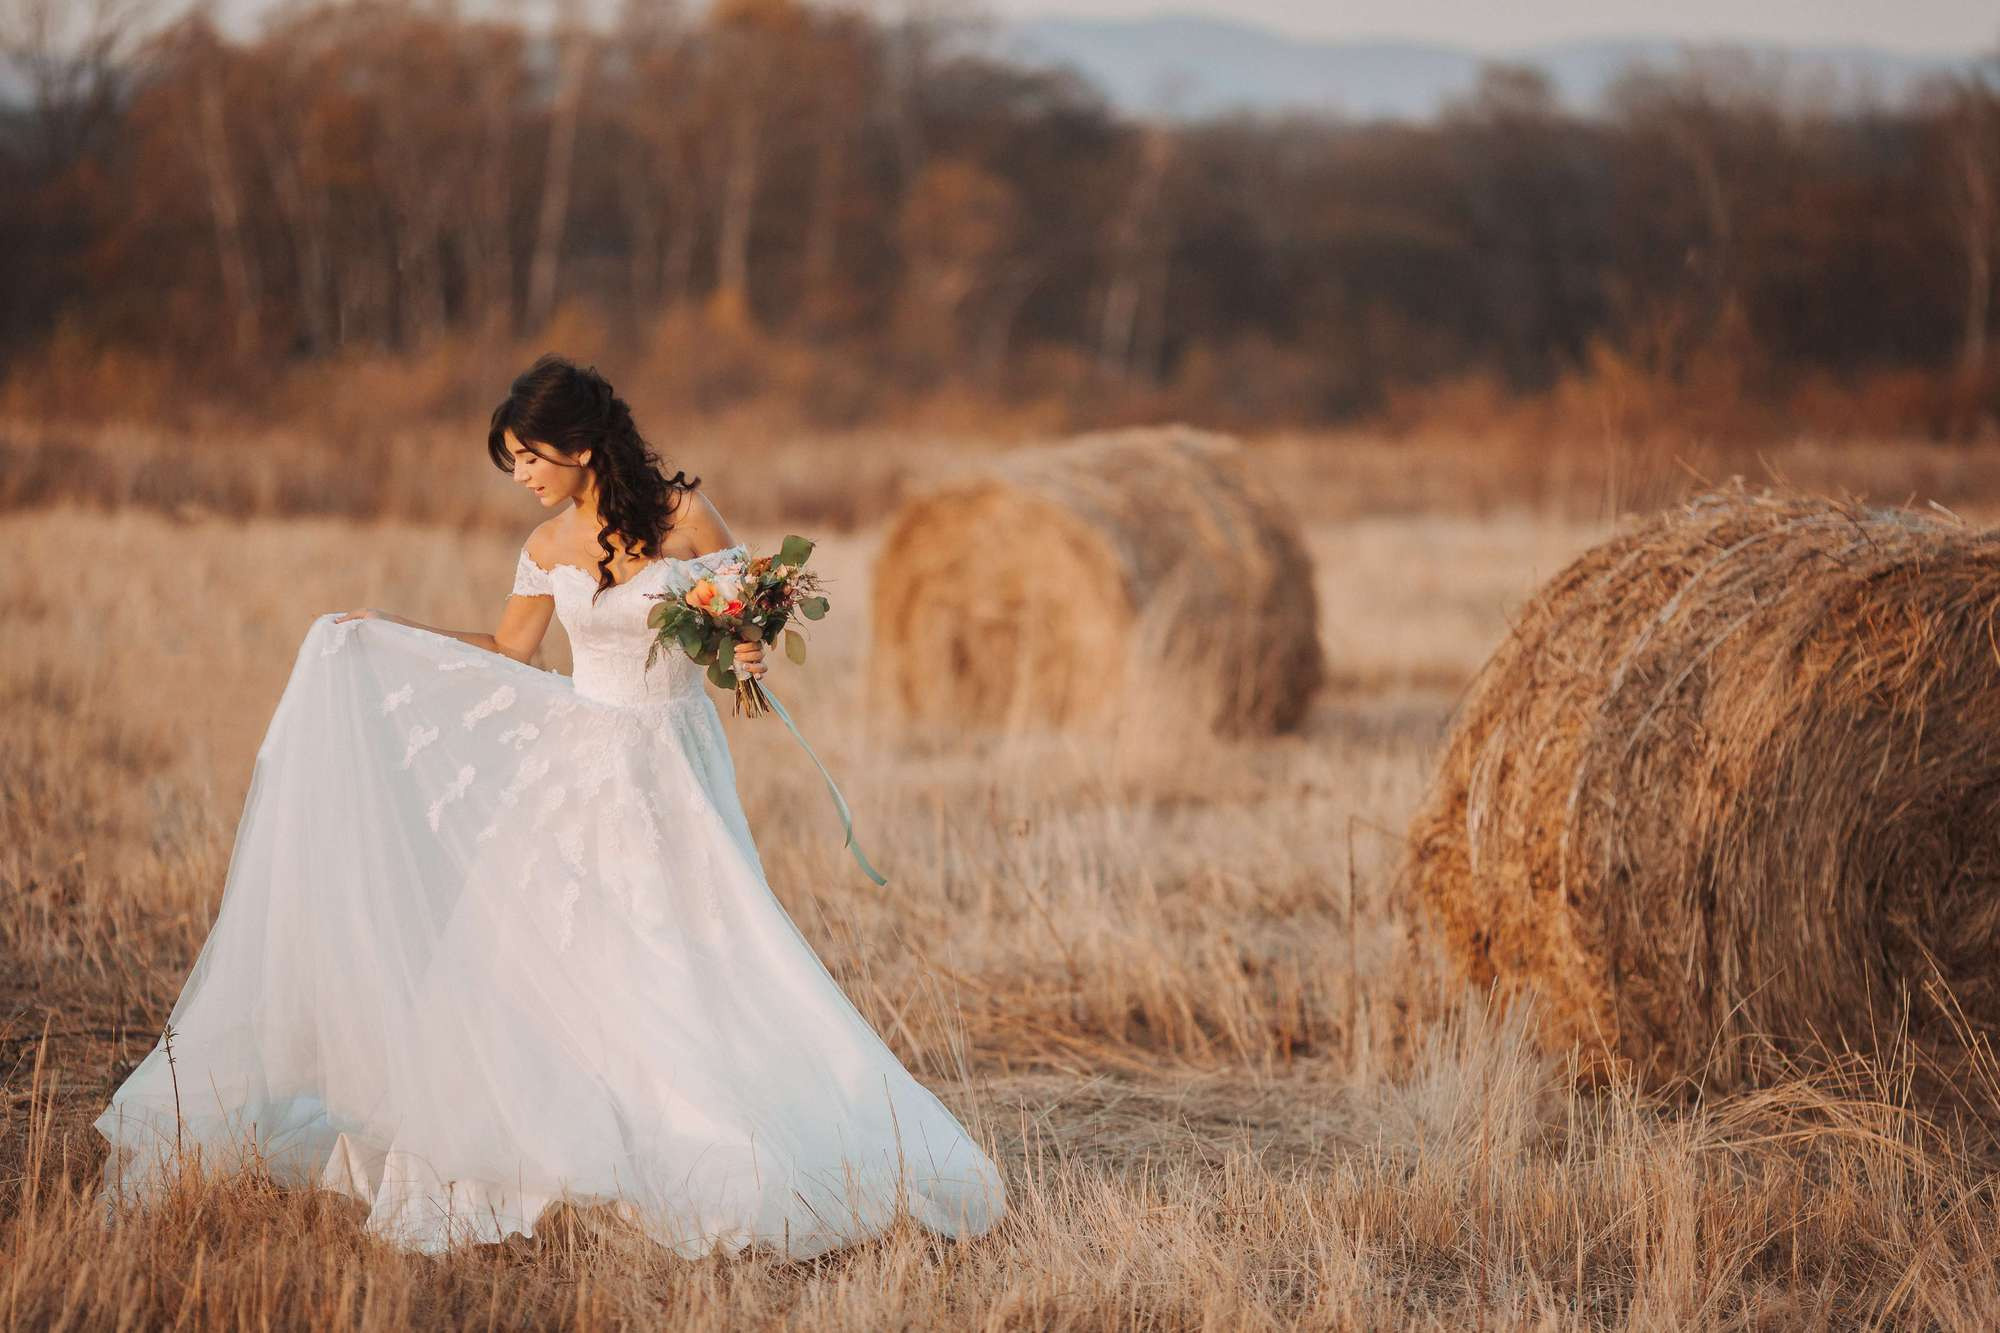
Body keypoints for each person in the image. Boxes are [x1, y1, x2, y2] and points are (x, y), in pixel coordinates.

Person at [92, 353, 1006, 1258]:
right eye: (514, 463)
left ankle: (700, 1126)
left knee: (689, 941)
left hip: (672, 762)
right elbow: (509, 647)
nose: (522, 476)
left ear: (577, 442)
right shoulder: (542, 547)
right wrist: (385, 632)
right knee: (543, 949)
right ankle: (550, 1134)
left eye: (528, 456)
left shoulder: (685, 516)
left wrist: (748, 656)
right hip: (580, 761)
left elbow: (741, 630)